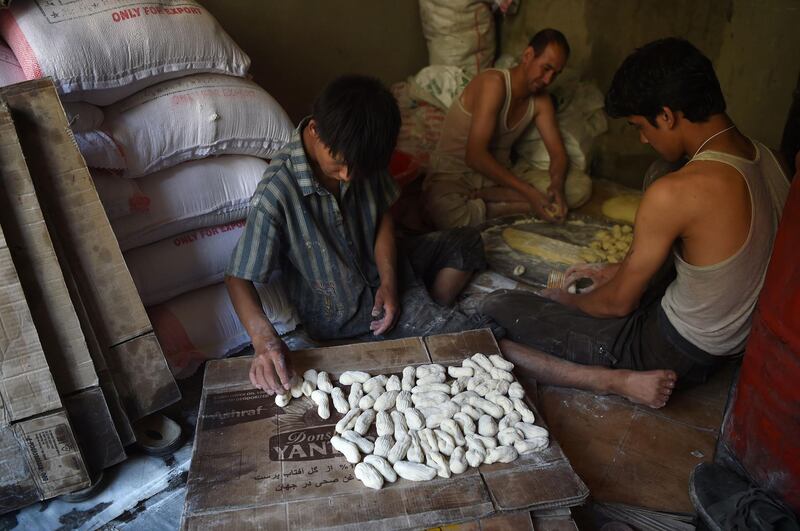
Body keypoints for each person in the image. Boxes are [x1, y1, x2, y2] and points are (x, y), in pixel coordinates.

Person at [479, 38, 789, 408]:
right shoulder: (771, 158)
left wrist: (569, 301)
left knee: (499, 307)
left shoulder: (681, 192)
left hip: (676, 352)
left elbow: (616, 306)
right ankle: (630, 276)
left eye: (641, 126)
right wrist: (618, 270)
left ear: (667, 116)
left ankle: (613, 380)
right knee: (662, 171)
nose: (643, 138)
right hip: (734, 341)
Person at [225, 75, 487, 395]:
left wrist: (390, 283)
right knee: (471, 339)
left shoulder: (362, 151)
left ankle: (420, 319)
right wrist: (264, 341)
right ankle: (412, 325)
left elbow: (383, 217)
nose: (348, 176)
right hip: (348, 310)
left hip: (386, 266)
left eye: (357, 170)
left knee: (468, 241)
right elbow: (238, 277)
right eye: (339, 165)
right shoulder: (277, 194)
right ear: (314, 131)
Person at [423, 28, 592, 229]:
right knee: (448, 215)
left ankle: (495, 201)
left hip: (498, 178)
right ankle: (512, 206)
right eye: (545, 68)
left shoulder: (541, 100)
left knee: (578, 187)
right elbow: (475, 156)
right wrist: (529, 193)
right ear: (528, 55)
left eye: (555, 74)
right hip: (457, 176)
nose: (548, 80)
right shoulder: (493, 84)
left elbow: (558, 154)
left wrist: (556, 185)